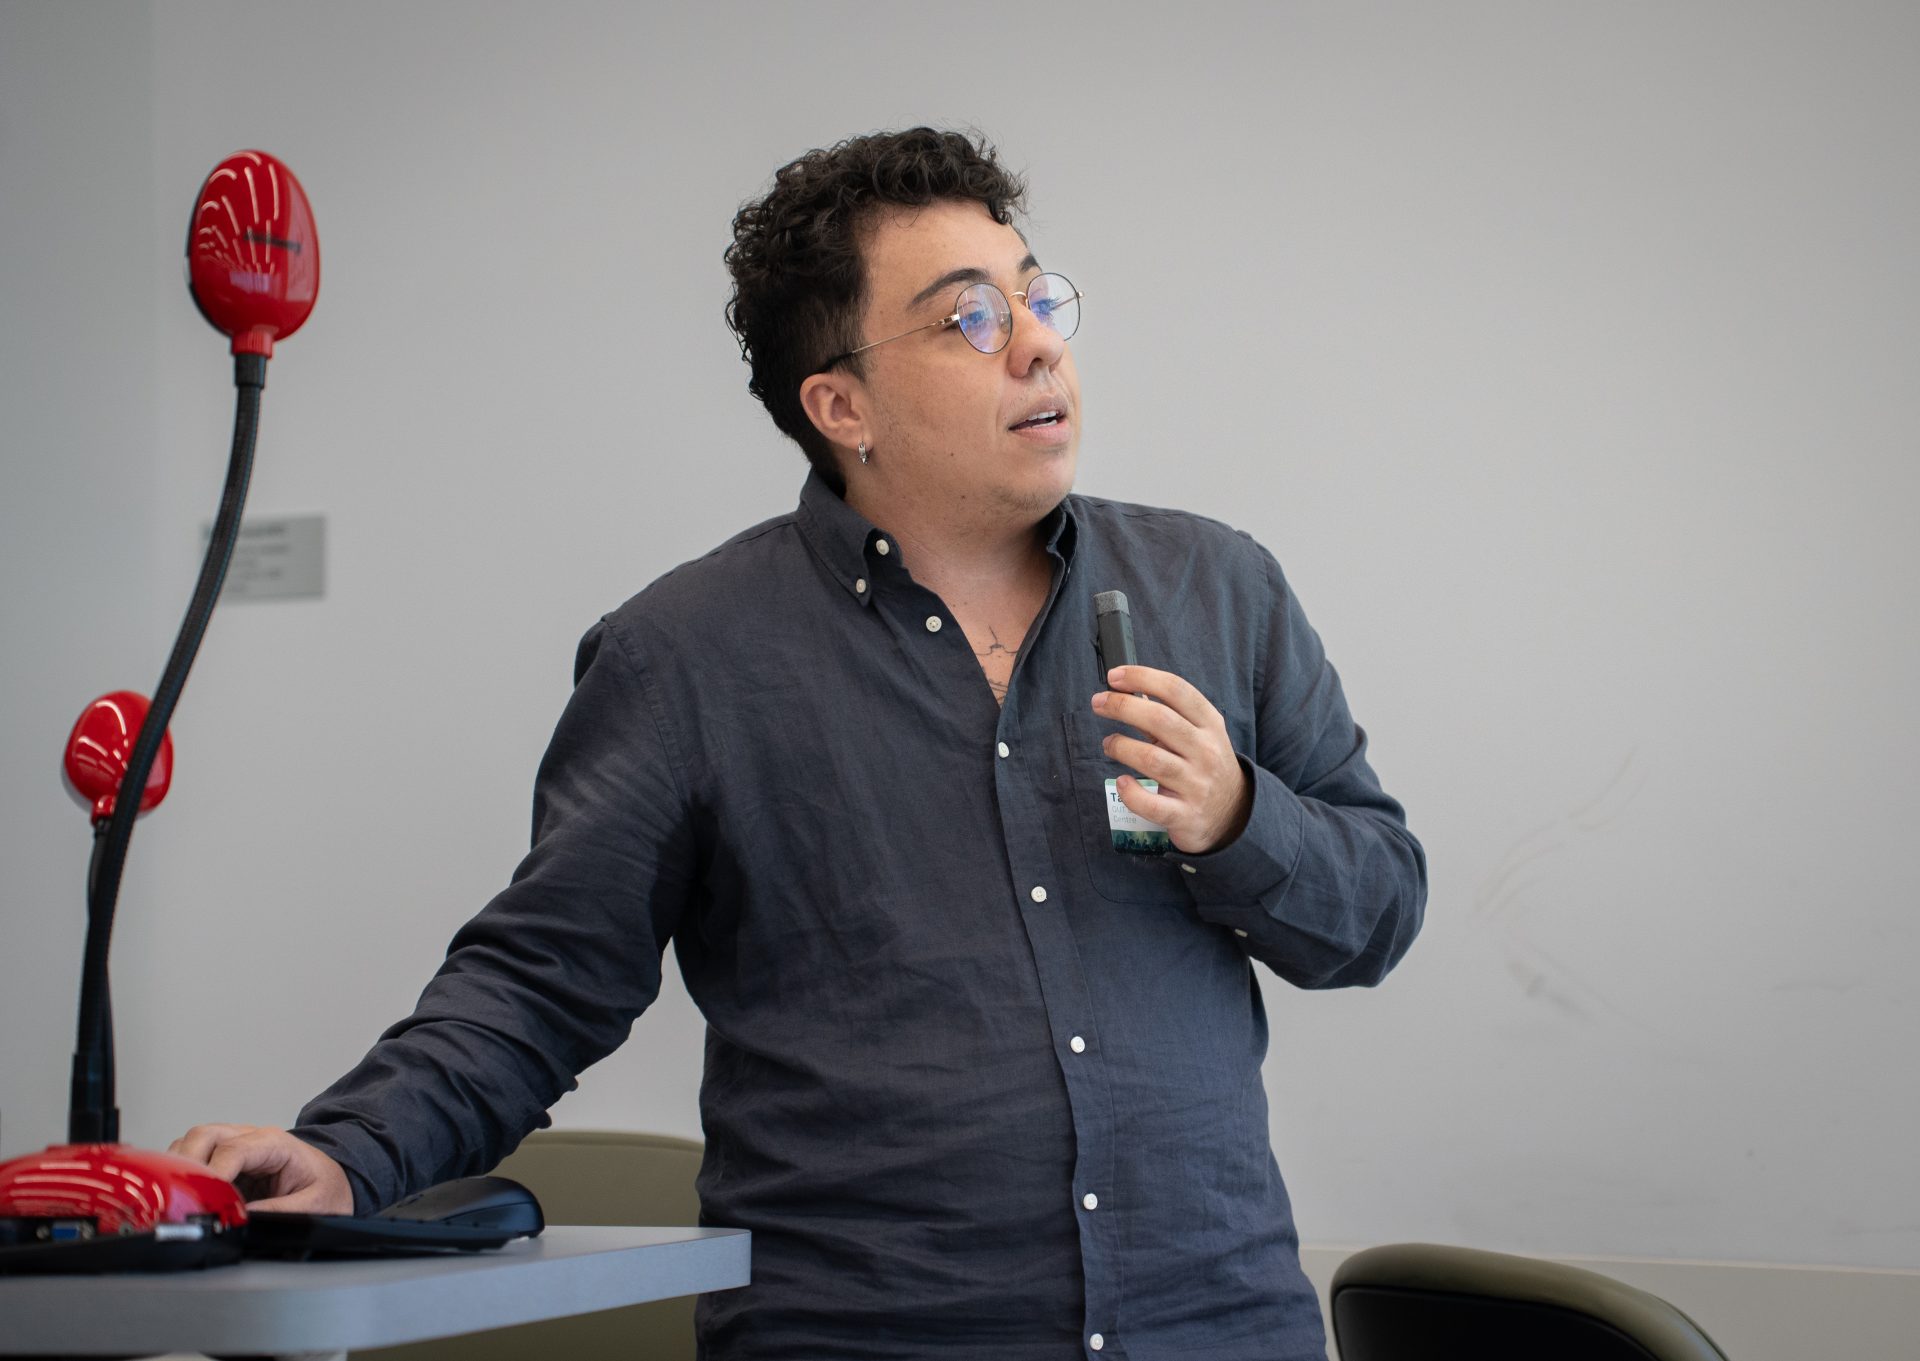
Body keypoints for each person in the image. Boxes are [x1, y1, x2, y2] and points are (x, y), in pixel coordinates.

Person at [173, 127, 1427, 1360]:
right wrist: (350, 1151)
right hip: (868, 1330)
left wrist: (1236, 815)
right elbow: (539, 981)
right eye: (969, 320)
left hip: (1213, 1323)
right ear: (842, 404)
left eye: (1037, 296)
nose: (1039, 340)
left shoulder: (1219, 587)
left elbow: (1375, 910)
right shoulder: (686, 657)